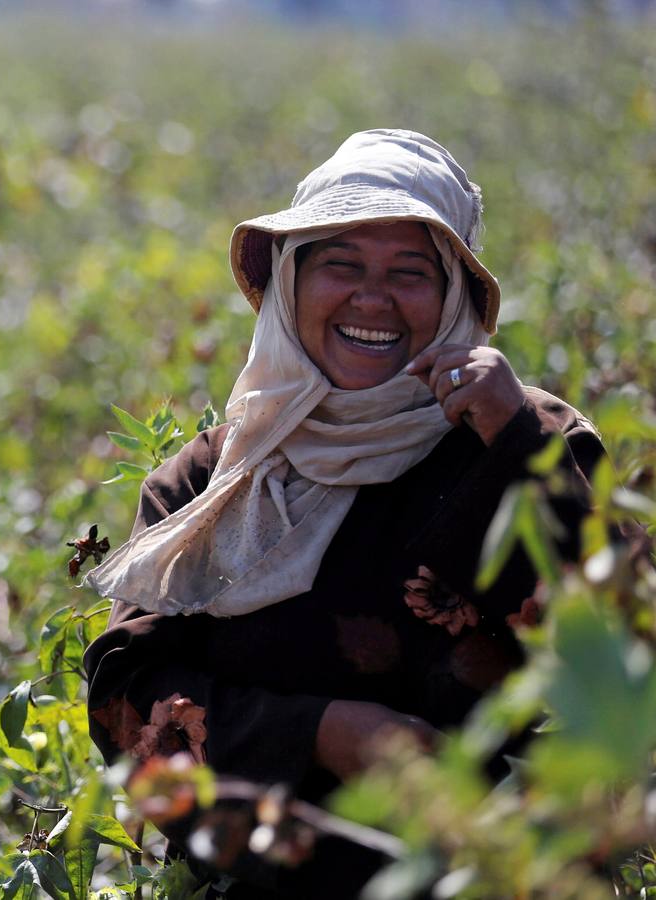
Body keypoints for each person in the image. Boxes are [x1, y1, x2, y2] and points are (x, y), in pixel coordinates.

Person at [82, 130, 604, 897]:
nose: (372, 297)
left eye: (410, 272)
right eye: (341, 264)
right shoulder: (214, 475)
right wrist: (325, 733)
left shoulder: (523, 436)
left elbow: (626, 653)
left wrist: (516, 445)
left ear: (455, 294)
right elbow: (127, 699)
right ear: (291, 284)